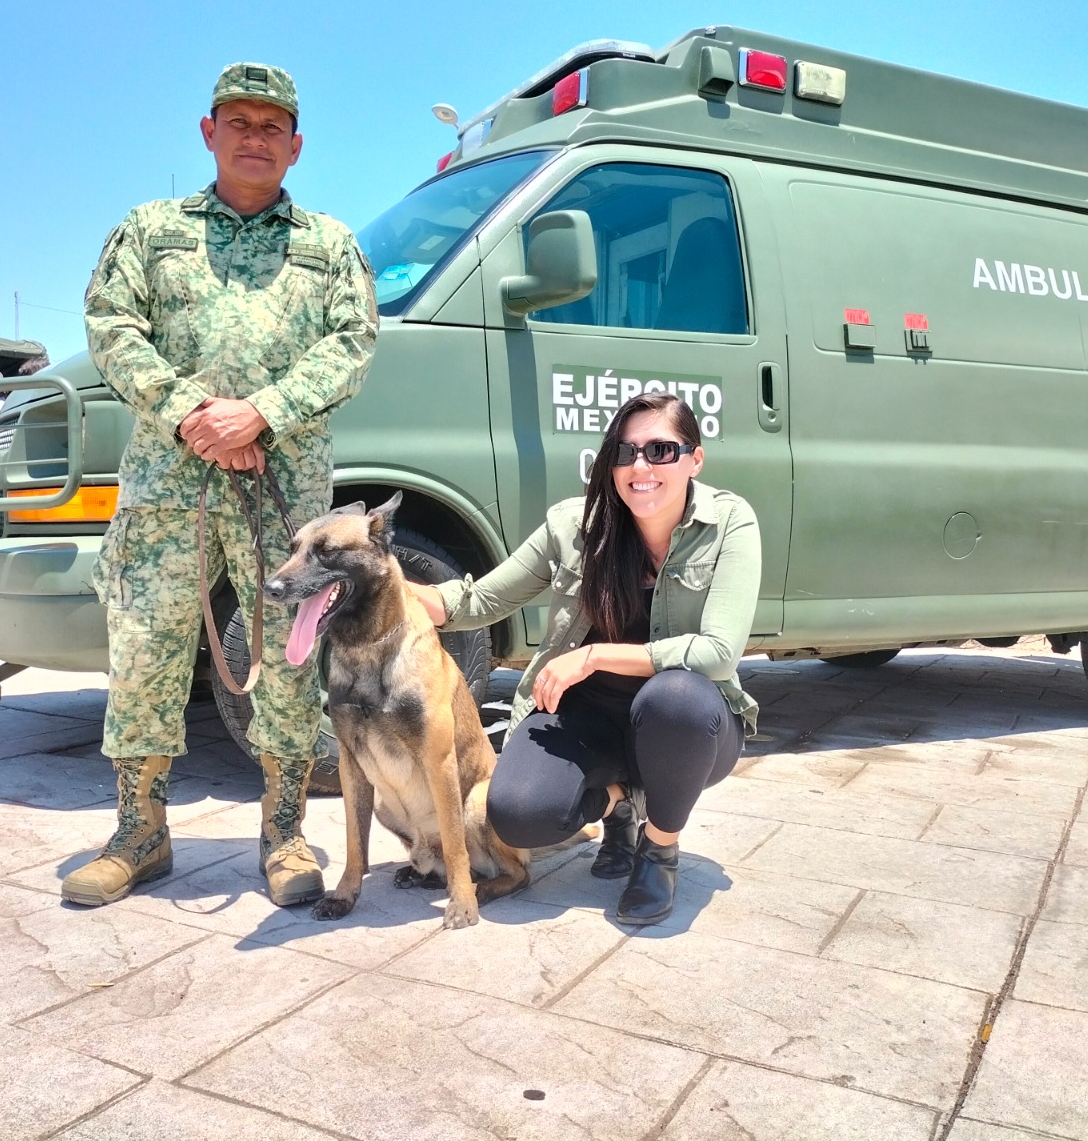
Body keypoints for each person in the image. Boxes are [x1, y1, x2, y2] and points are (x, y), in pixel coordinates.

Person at [62, 62, 379, 908]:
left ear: (296, 146)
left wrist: (261, 414)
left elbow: (351, 345)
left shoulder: (329, 244)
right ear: (208, 133)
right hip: (170, 484)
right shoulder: (153, 229)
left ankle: (284, 835)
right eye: (238, 122)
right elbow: (111, 326)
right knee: (144, 655)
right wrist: (193, 411)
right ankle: (139, 832)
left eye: (272, 126)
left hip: (285, 499)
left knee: (286, 661)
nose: (254, 137)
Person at [408, 393, 761, 925]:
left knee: (678, 695)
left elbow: (716, 653)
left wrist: (595, 655)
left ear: (695, 458)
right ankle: (621, 800)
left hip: (683, 722)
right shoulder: (574, 525)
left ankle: (659, 849)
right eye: (625, 452)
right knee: (519, 816)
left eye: (661, 450)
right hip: (584, 717)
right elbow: (480, 600)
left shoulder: (729, 522)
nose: (640, 466)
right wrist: (386, 582)